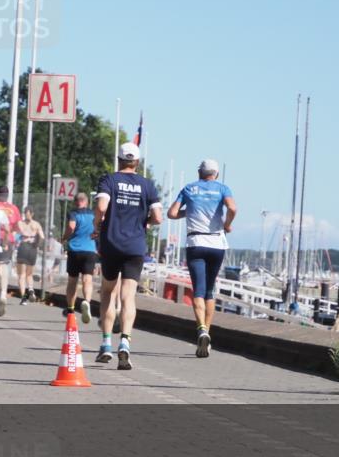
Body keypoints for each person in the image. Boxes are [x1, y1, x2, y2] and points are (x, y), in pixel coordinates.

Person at [94, 142, 163, 370]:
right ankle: (125, 341)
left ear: (119, 160)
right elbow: (158, 217)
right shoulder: (148, 185)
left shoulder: (109, 180)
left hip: (112, 244)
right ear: (137, 162)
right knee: (128, 296)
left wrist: (97, 225)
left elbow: (101, 207)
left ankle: (106, 344)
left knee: (107, 292)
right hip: (135, 246)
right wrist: (146, 222)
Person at [167, 159, 236, 358]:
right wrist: (227, 225)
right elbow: (232, 208)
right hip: (217, 244)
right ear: (216, 174)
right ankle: (208, 332)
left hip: (196, 242)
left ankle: (201, 330)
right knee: (209, 290)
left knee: (198, 289)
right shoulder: (223, 188)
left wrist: (188, 211)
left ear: (199, 172)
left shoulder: (189, 188)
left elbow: (171, 213)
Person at [64, 192, 97, 323]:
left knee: (72, 281)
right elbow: (99, 228)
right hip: (90, 250)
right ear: (87, 202)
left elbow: (71, 227)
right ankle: (87, 301)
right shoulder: (94, 214)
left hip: (74, 250)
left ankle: (70, 310)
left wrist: (64, 237)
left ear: (75, 202)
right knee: (87, 279)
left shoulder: (73, 213)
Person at [0, 186, 21, 316]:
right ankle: (3, 294)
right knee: (4, 267)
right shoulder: (13, 208)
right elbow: (17, 227)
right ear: (7, 195)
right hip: (8, 240)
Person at [15, 207, 43, 305]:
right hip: (32, 248)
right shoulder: (36, 224)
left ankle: (23, 298)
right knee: (29, 274)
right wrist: (37, 244)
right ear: (32, 214)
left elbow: (18, 233)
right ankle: (30, 289)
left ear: (24, 214)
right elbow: (42, 237)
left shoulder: (20, 223)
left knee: (21, 275)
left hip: (23, 247)